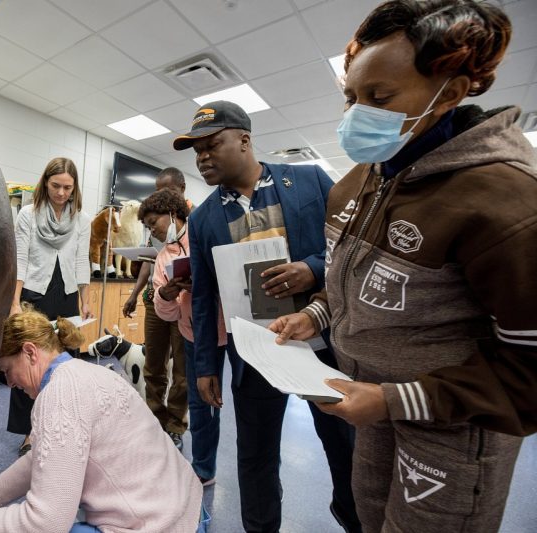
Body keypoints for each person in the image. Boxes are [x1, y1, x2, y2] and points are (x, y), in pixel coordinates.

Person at [271, 2, 537, 532]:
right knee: (371, 521)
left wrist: (396, 399)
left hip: (452, 425)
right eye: (351, 97)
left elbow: (529, 369)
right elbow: (352, 280)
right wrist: (319, 316)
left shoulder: (505, 202)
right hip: (370, 405)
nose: (356, 114)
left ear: (453, 92)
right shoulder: (359, 181)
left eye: (380, 97)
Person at [175, 100, 360, 533]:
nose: (202, 156)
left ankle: (355, 518)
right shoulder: (202, 220)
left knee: (344, 446)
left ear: (244, 139)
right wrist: (206, 365)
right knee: (255, 455)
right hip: (256, 356)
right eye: (195, 150)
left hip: (325, 348)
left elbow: (348, 249)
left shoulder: (310, 181)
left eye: (211, 144)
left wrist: (311, 269)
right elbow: (203, 298)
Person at [0, 308, 205, 533]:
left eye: (8, 370)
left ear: (30, 352)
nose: (11, 384)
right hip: (189, 511)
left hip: (161, 526)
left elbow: (46, 524)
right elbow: (41, 458)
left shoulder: (59, 396)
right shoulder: (93, 372)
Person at [139, 188, 227, 487]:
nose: (153, 231)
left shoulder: (203, 232)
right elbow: (168, 314)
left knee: (239, 400)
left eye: (154, 223)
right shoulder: (164, 257)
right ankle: (203, 468)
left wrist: (203, 282)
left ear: (173, 214)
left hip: (229, 332)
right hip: (195, 334)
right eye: (148, 228)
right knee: (201, 401)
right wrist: (165, 295)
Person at [8, 157, 92, 456]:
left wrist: (85, 298)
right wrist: (15, 301)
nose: (61, 193)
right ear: (45, 182)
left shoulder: (81, 220)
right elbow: (19, 258)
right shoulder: (28, 215)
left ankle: (61, 426)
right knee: (28, 361)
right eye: (56, 186)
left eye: (67, 187)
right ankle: (31, 431)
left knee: (65, 363)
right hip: (34, 291)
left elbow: (82, 259)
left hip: (67, 294)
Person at [122, 167, 190, 450]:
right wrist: (135, 294)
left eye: (168, 191)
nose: (162, 196)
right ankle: (154, 419)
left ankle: (175, 424)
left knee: (182, 371)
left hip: (184, 304)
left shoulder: (195, 221)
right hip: (156, 297)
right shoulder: (155, 224)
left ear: (182, 190)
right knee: (154, 364)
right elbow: (148, 263)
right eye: (158, 191)